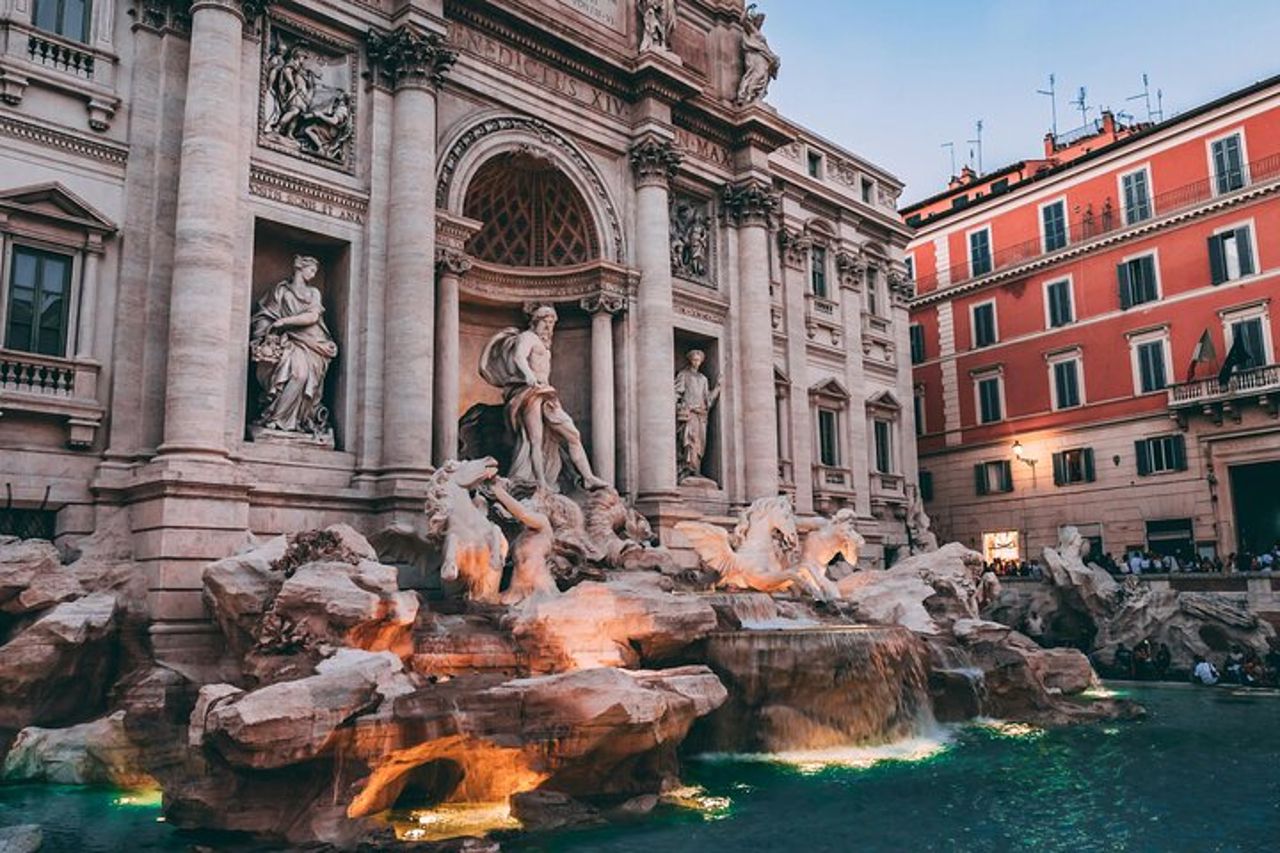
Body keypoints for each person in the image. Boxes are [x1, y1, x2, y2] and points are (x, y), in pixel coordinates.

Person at [479, 305, 607, 492]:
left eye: (551, 324)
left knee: (573, 434)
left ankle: (587, 477)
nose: (548, 328)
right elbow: (518, 357)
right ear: (535, 321)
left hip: (546, 392)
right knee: (535, 440)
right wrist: (528, 375)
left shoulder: (542, 342)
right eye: (545, 323)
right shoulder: (527, 337)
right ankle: (541, 483)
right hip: (530, 392)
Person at [249, 255, 337, 435]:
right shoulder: (281, 291)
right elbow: (266, 314)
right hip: (288, 340)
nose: (313, 275)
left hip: (313, 342)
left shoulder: (314, 293)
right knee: (296, 374)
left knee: (302, 377)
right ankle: (275, 418)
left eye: (315, 272)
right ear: (300, 269)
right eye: (311, 270)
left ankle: (294, 419)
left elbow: (312, 317)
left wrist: (283, 322)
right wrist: (267, 331)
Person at [673, 349, 721, 482]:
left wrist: (717, 387)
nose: (696, 362)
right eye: (694, 360)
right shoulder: (683, 375)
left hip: (701, 416)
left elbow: (708, 400)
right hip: (689, 414)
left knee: (700, 444)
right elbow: (677, 392)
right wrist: (677, 407)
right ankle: (687, 469)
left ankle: (696, 469)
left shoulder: (703, 379)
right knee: (689, 441)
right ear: (690, 360)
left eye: (699, 360)